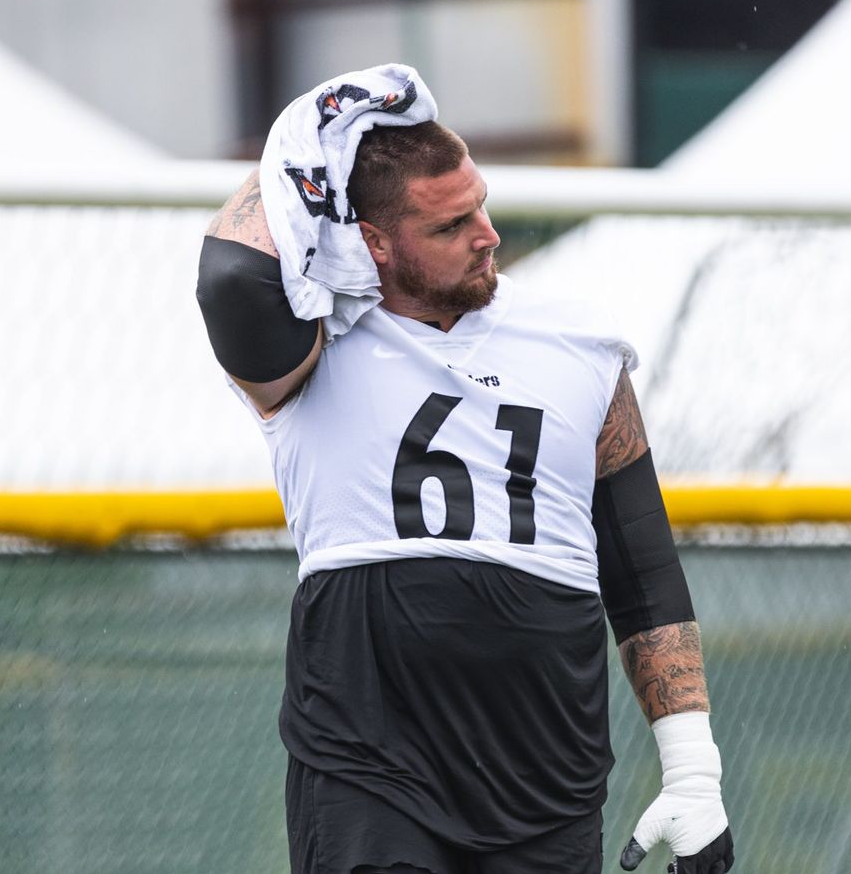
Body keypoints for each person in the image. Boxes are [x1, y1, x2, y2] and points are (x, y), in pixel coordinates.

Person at [198, 117, 735, 872]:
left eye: (481, 204)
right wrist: (316, 124)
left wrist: (691, 767)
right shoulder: (311, 346)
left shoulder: (579, 345)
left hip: (545, 773)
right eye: (450, 224)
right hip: (369, 764)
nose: (487, 235)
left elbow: (641, 566)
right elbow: (228, 271)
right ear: (374, 241)